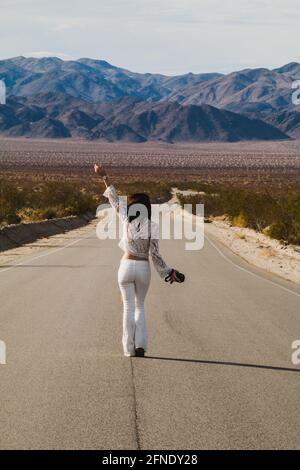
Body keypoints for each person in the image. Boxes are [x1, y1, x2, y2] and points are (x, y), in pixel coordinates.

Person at [94, 163, 180, 358]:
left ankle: (128, 349)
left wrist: (104, 175)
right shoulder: (153, 226)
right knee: (140, 306)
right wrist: (168, 272)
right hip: (143, 268)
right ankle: (141, 345)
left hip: (125, 266)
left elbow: (113, 198)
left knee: (127, 307)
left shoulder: (126, 218)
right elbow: (156, 256)